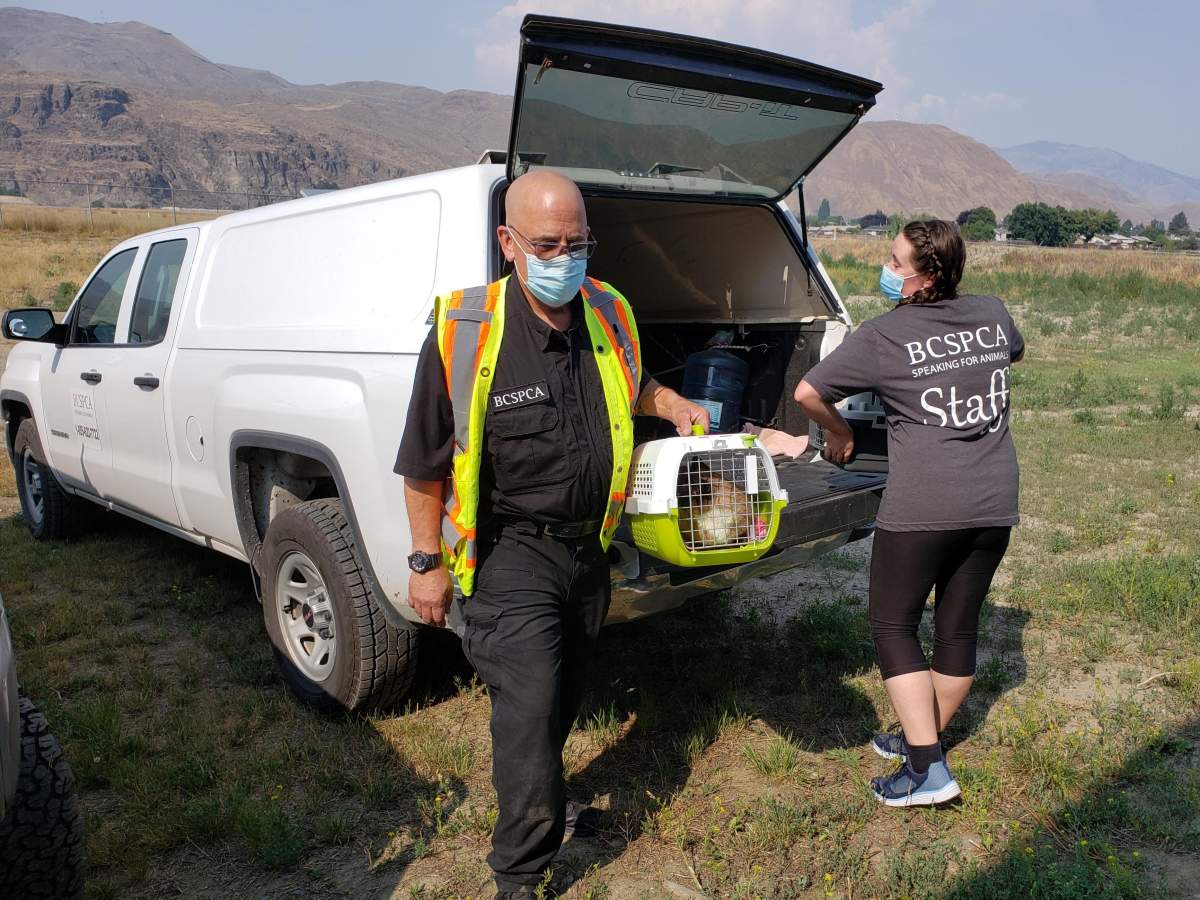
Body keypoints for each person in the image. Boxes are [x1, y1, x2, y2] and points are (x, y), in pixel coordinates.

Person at [395, 170, 708, 898]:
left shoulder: (609, 310)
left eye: (578, 243)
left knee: (563, 696)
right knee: (531, 710)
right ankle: (519, 875)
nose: (565, 258)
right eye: (547, 245)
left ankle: (546, 797)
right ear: (508, 243)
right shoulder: (465, 331)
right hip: (513, 552)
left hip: (588, 550)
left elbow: (630, 381)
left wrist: (671, 403)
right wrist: (425, 562)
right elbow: (424, 461)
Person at [794, 219, 1023, 807]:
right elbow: (1010, 354)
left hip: (925, 504)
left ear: (926, 279)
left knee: (893, 625)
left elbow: (807, 393)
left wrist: (840, 434)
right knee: (957, 628)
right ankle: (922, 739)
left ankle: (927, 771)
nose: (888, 270)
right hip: (994, 501)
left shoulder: (883, 335)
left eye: (896, 263)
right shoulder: (993, 313)